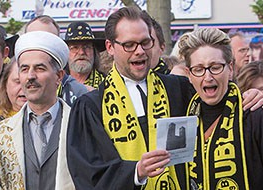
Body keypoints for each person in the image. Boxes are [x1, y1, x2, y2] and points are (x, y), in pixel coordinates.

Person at [66, 7, 195, 189]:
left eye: (145, 42)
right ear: (110, 47)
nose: (140, 51)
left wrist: (245, 95)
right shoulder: (91, 107)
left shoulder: (178, 89)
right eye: (129, 45)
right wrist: (136, 172)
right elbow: (88, 174)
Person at [178, 27, 263, 189]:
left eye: (215, 67)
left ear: (230, 68)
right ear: (189, 75)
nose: (208, 76)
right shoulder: (184, 120)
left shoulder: (256, 114)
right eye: (198, 69)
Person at [0, 31, 74, 189]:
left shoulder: (80, 127)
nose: (30, 76)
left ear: (59, 76)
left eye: (40, 68)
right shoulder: (0, 133)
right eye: (24, 69)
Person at [22, 16, 89, 107]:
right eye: (33, 40)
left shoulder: (78, 92)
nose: (40, 48)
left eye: (49, 42)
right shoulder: (12, 87)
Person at [63, 21, 104, 91]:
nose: (81, 52)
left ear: (94, 52)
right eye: (75, 47)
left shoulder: (107, 84)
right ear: (66, 53)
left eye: (87, 47)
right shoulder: (56, 84)